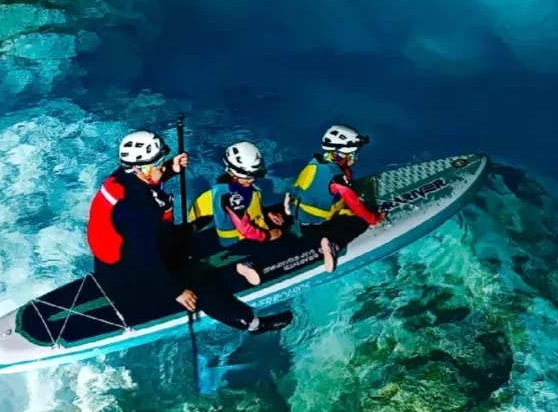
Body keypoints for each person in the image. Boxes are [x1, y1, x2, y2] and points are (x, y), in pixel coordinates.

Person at [87, 129, 291, 334]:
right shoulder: (139, 206)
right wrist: (177, 291)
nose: (162, 165)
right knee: (197, 281)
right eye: (159, 162)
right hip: (127, 272)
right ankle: (251, 324)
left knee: (185, 236)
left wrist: (171, 169)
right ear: (144, 169)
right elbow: (147, 257)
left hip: (118, 257)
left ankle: (189, 232)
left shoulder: (124, 176)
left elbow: (147, 188)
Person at [188, 140, 313, 286]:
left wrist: (266, 214)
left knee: (283, 220)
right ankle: (247, 265)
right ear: (232, 172)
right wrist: (269, 235)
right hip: (238, 241)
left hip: (252, 225)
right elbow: (245, 229)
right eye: (247, 177)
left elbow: (246, 209)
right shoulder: (232, 196)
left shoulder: (230, 186)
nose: (251, 180)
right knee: (285, 245)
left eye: (253, 176)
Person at [287, 124, 381, 272]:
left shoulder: (315, 163)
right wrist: (374, 219)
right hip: (317, 228)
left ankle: (326, 240)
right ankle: (334, 245)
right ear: (346, 153)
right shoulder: (336, 178)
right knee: (361, 220)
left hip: (300, 222)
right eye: (355, 152)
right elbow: (355, 204)